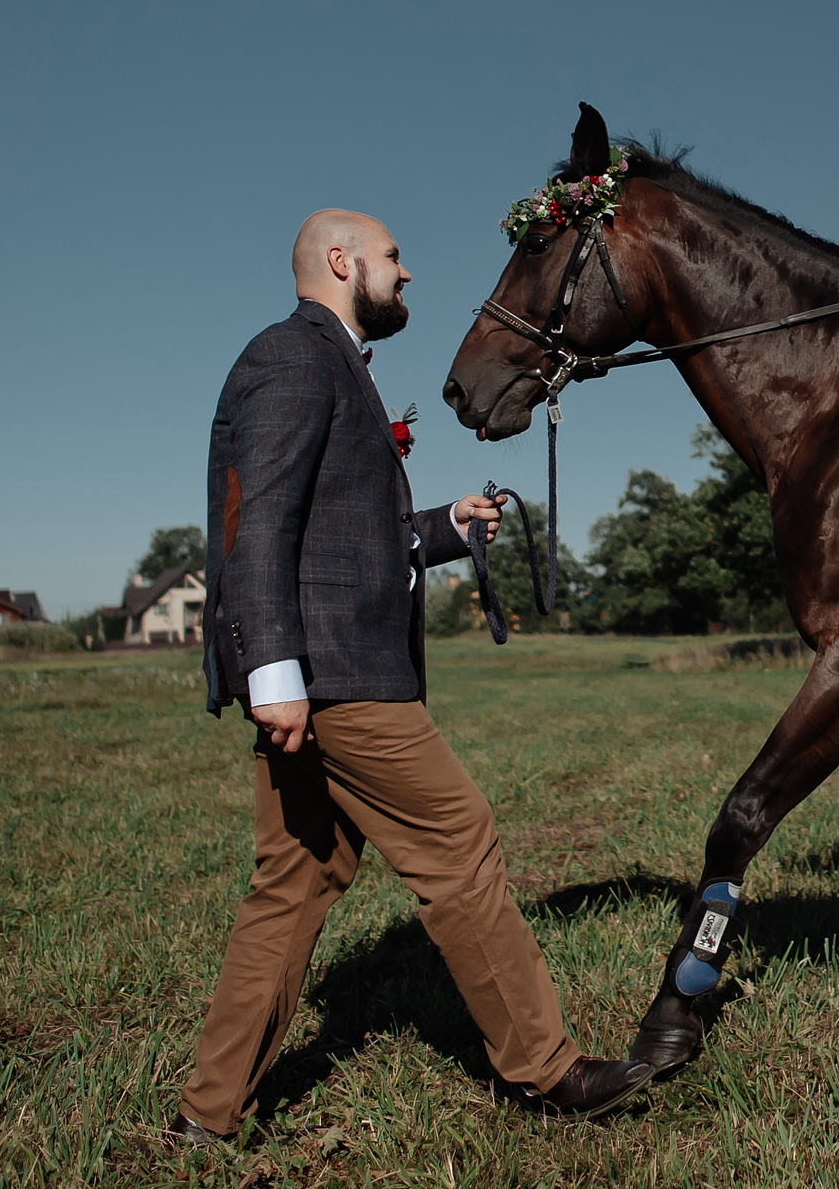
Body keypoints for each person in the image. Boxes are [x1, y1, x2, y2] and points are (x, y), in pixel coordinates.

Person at [170, 209, 652, 1145]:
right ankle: (545, 1069)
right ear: (342, 261)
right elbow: (258, 519)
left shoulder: (334, 362)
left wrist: (442, 528)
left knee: (297, 877)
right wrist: (272, 669)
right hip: (335, 676)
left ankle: (207, 1115)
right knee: (460, 841)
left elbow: (339, 533)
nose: (408, 272)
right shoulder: (293, 356)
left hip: (323, 670)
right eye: (394, 257)